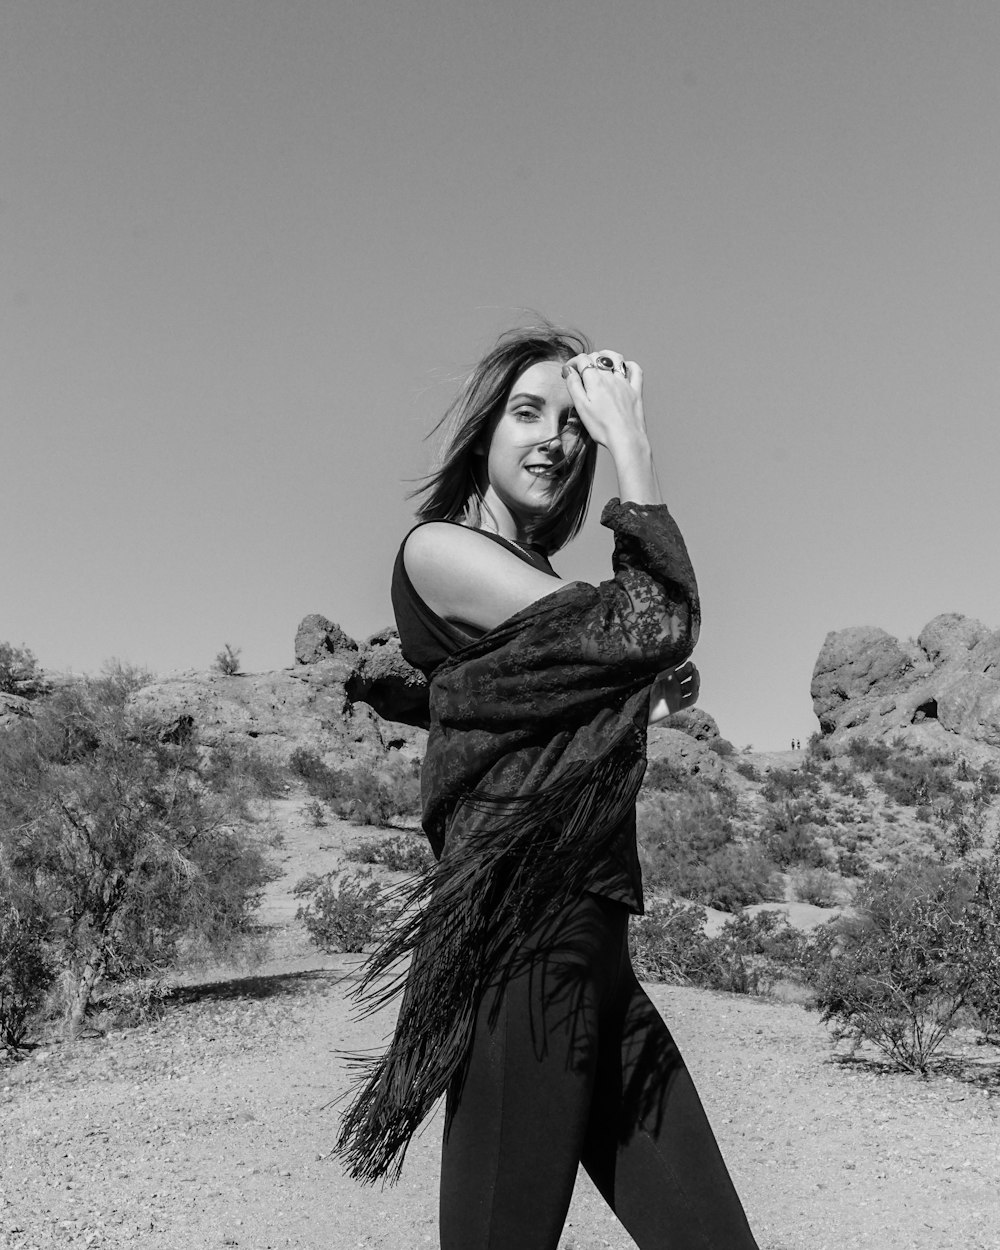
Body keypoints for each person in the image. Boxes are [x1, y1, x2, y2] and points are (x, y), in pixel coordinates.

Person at [336, 325, 760, 1250]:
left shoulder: (538, 587)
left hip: (597, 949)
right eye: (528, 412)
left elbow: (558, 690)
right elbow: (651, 619)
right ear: (481, 432)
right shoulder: (437, 551)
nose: (558, 440)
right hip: (520, 943)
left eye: (576, 423)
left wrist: (634, 697)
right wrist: (633, 448)